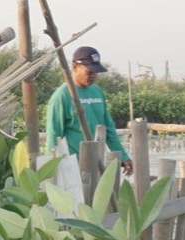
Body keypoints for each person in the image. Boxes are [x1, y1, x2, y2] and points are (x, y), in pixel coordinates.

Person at [44, 46, 133, 175]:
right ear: (75, 67)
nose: (93, 76)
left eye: (96, 72)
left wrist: (123, 155)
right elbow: (53, 133)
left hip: (96, 162)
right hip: (72, 165)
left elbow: (108, 128)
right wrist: (51, 168)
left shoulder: (97, 92)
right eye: (89, 72)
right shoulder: (62, 96)